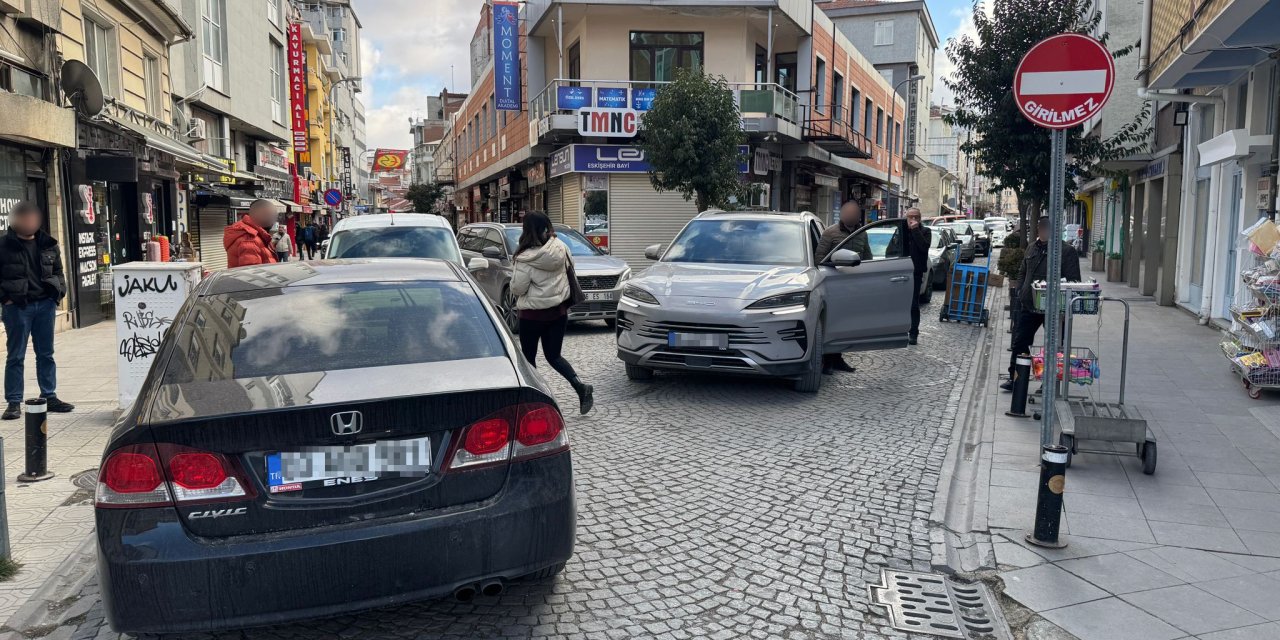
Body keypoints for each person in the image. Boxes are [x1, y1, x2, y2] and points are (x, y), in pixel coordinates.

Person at [510, 211, 594, 414]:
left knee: (529, 360)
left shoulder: (525, 258)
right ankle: (580, 386)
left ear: (527, 230)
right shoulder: (561, 247)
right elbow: (570, 269)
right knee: (554, 356)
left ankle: (536, 402)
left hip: (532, 316)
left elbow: (518, 288)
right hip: (558, 313)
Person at [0, 202, 73, 419]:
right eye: (24, 218)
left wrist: (57, 293)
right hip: (18, 308)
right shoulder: (4, 245)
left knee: (46, 354)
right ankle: (14, 402)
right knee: (15, 356)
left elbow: (59, 271)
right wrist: (6, 299)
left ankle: (49, 396)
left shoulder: (48, 244)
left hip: (45, 305)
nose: (29, 222)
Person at [1002, 215, 1083, 391]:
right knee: (1020, 343)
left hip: (1054, 308)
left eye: (1046, 228)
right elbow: (1023, 271)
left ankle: (1049, 384)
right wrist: (1022, 290)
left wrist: (1062, 306)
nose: (1042, 231)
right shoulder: (1032, 248)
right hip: (1030, 305)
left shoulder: (1066, 251)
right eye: (1040, 228)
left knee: (1054, 345)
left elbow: (1074, 281)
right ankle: (1015, 379)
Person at [814, 201, 868, 374]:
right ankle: (827, 361)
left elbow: (867, 256)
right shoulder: (830, 233)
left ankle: (838, 359)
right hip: (834, 284)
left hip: (854, 286)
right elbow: (819, 259)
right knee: (832, 322)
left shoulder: (862, 233)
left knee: (846, 323)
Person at [904, 208, 932, 345]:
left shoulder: (926, 231)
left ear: (920, 219)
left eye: (915, 217)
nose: (913, 220)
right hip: (900, 271)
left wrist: (915, 230)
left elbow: (924, 247)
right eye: (910, 217)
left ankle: (913, 333)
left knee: (913, 304)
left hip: (915, 273)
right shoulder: (902, 231)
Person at [224, 199, 279, 268]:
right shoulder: (249, 240)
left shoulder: (258, 235)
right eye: (268, 214)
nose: (273, 220)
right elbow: (253, 274)